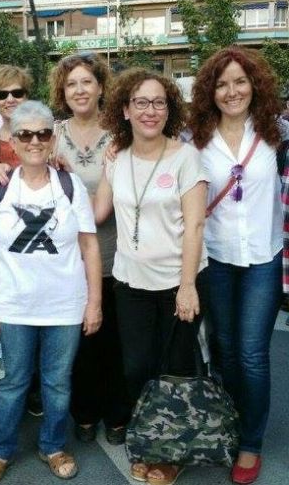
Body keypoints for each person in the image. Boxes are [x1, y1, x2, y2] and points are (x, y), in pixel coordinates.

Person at [0, 100, 101, 484]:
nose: (34, 141)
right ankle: (0, 450)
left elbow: (89, 245)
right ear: (12, 140)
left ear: (53, 137)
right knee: (10, 383)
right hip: (12, 305)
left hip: (64, 305)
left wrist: (94, 302)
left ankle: (53, 445)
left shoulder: (70, 185)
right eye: (25, 134)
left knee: (57, 383)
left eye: (42, 133)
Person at [96, 68, 208, 485]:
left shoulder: (184, 157)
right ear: (125, 110)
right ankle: (148, 441)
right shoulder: (116, 158)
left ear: (169, 109)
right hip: (131, 284)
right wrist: (51, 171)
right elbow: (97, 212)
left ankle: (170, 455)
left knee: (176, 371)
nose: (150, 110)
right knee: (137, 369)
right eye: (141, 102)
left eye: (159, 102)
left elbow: (195, 225)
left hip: (178, 283)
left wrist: (188, 285)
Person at [188, 46, 282, 485]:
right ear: (210, 91)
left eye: (240, 82)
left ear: (254, 86)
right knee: (224, 350)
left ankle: (250, 443)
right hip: (217, 259)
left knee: (252, 354)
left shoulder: (277, 134)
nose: (232, 91)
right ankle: (228, 423)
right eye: (222, 84)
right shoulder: (194, 139)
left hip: (263, 258)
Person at [49, 52, 131, 445]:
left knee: (113, 340)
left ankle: (117, 415)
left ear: (100, 87)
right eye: (71, 84)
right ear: (62, 92)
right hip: (67, 260)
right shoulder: (49, 134)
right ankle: (83, 413)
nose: (79, 90)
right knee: (78, 343)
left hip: (113, 254)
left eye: (86, 82)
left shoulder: (121, 134)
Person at [0, 65, 31, 167]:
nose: (10, 100)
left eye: (17, 93)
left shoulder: (44, 134)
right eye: (2, 95)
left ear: (26, 97)